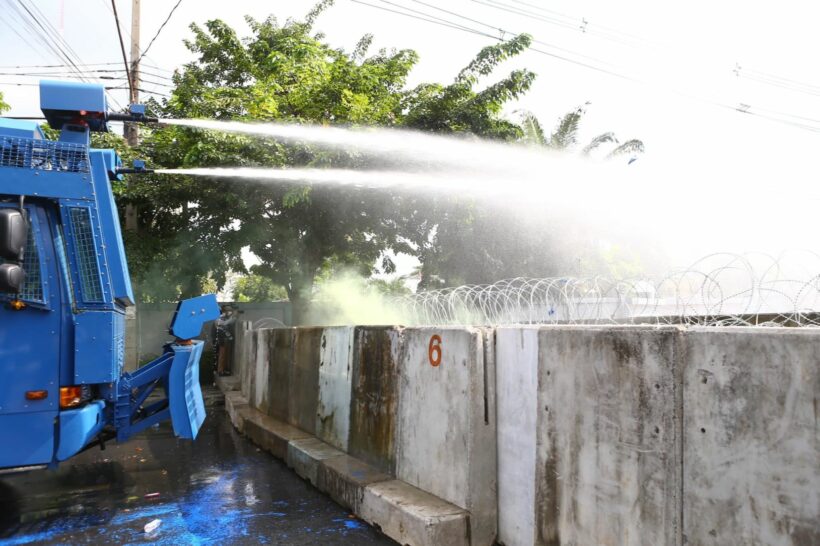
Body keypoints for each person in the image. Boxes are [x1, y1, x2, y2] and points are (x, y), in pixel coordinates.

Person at [213, 304, 238, 376]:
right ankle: (220, 371)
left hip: (225, 339)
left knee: (225, 356)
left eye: (229, 310)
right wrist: (233, 317)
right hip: (221, 340)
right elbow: (225, 323)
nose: (228, 312)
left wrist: (234, 316)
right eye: (227, 310)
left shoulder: (223, 318)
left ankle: (223, 370)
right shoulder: (218, 319)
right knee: (222, 355)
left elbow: (229, 322)